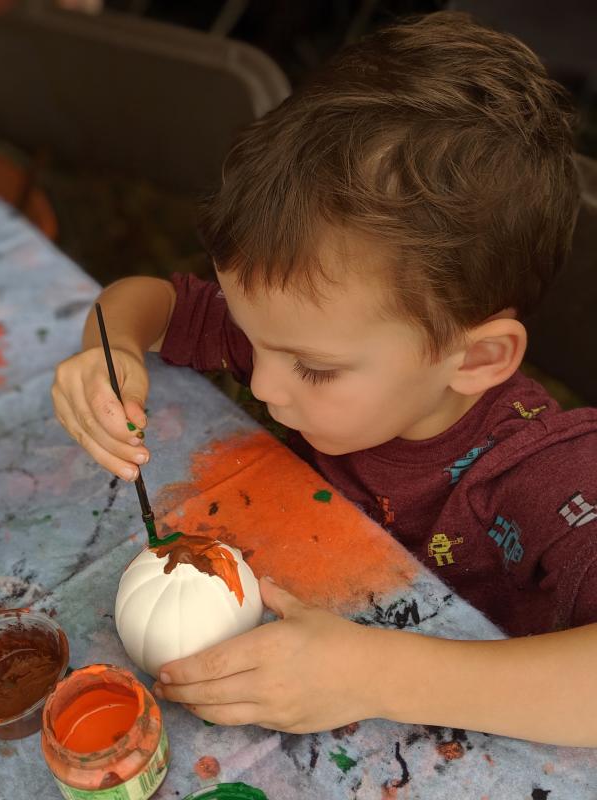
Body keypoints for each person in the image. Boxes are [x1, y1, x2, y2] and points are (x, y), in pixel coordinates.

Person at [52, 11, 597, 746]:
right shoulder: (303, 329)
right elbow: (153, 300)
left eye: (312, 368)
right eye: (250, 337)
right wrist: (112, 351)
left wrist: (378, 677)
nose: (266, 384)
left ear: (473, 359)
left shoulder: (545, 475)